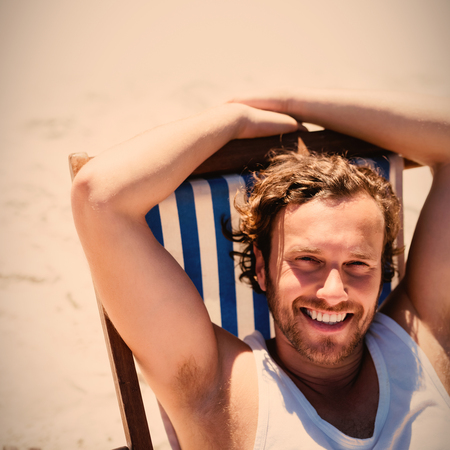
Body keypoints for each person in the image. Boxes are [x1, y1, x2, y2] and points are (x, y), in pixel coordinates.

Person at [71, 89, 450, 449]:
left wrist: (292, 102)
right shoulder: (218, 389)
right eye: (308, 261)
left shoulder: (423, 341)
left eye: (357, 264)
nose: (334, 291)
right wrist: (233, 119)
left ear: (382, 270)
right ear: (263, 267)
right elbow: (100, 198)